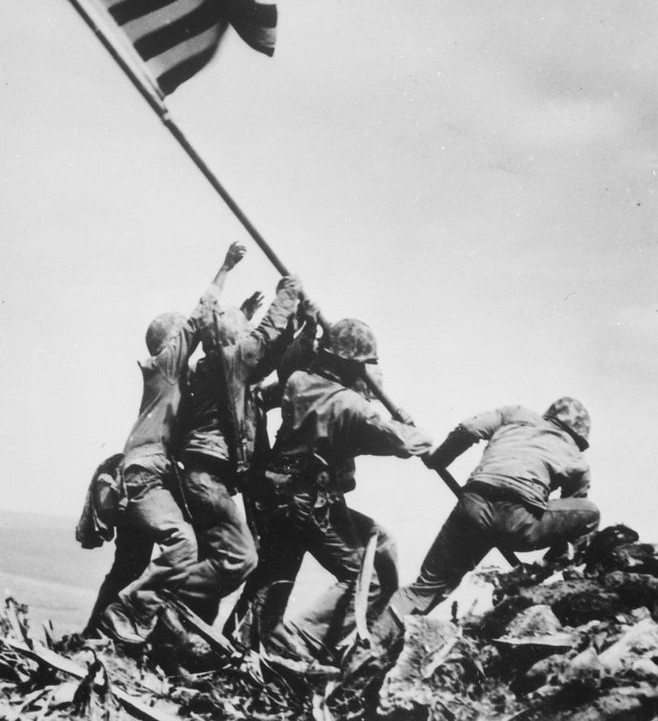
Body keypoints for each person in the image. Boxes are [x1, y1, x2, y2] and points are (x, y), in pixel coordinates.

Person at [226, 318, 432, 660]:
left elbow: (265, 396)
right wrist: (408, 424)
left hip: (279, 493)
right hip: (310, 504)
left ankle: (242, 640)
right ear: (351, 365)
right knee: (371, 579)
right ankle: (302, 643)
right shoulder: (353, 408)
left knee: (276, 574)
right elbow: (410, 443)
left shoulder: (298, 381)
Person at [94, 241, 245, 645]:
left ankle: (95, 635)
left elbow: (210, 339)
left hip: (143, 475)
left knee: (128, 563)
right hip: (147, 473)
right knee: (183, 544)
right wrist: (225, 269)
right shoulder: (166, 366)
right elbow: (197, 320)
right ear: (170, 343)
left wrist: (239, 315)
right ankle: (130, 613)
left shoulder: (171, 379)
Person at [173, 273, 304, 623]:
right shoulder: (229, 360)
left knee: (214, 563)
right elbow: (264, 340)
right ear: (232, 337)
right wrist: (287, 295)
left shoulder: (224, 375)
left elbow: (275, 359)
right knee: (239, 558)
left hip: (209, 479)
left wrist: (302, 330)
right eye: (242, 331)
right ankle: (157, 596)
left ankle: (184, 635)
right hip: (209, 480)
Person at [393, 397, 601, 617]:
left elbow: (468, 429)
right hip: (519, 522)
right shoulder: (577, 458)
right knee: (590, 514)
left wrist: (438, 460)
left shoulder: (515, 414)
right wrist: (545, 568)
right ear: (579, 437)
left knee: (426, 588)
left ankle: (371, 630)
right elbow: (571, 520)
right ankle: (537, 574)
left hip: (472, 508)